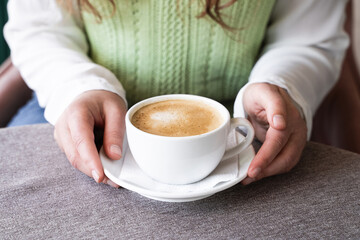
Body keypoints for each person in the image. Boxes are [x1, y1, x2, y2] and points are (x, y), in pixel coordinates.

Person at [4, 0, 349, 187]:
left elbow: (308, 37)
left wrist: (281, 83)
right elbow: (39, 28)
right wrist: (76, 86)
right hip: (83, 106)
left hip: (240, 117)